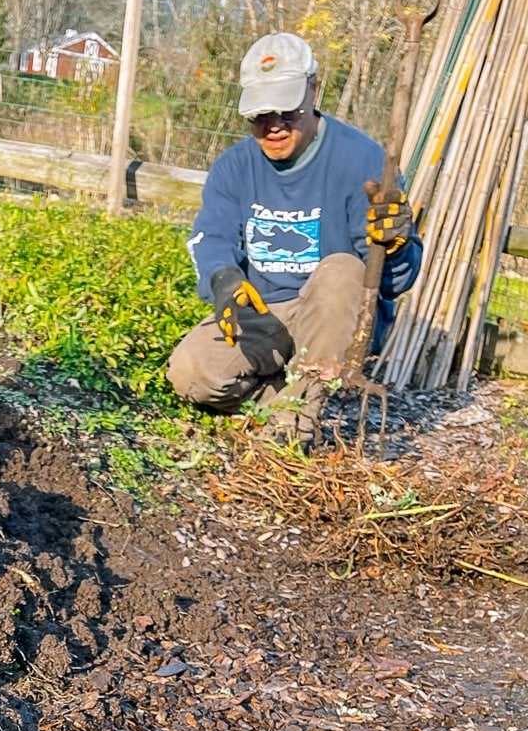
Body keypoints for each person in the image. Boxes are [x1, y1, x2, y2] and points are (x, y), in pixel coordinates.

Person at [167, 31, 422, 442]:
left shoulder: (363, 162)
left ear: (314, 91)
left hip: (333, 315)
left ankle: (298, 419)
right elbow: (209, 237)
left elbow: (392, 283)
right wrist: (224, 280)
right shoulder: (234, 167)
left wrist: (395, 248)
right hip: (266, 313)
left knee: (340, 270)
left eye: (287, 111)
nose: (274, 126)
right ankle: (285, 394)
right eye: (260, 116)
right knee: (191, 372)